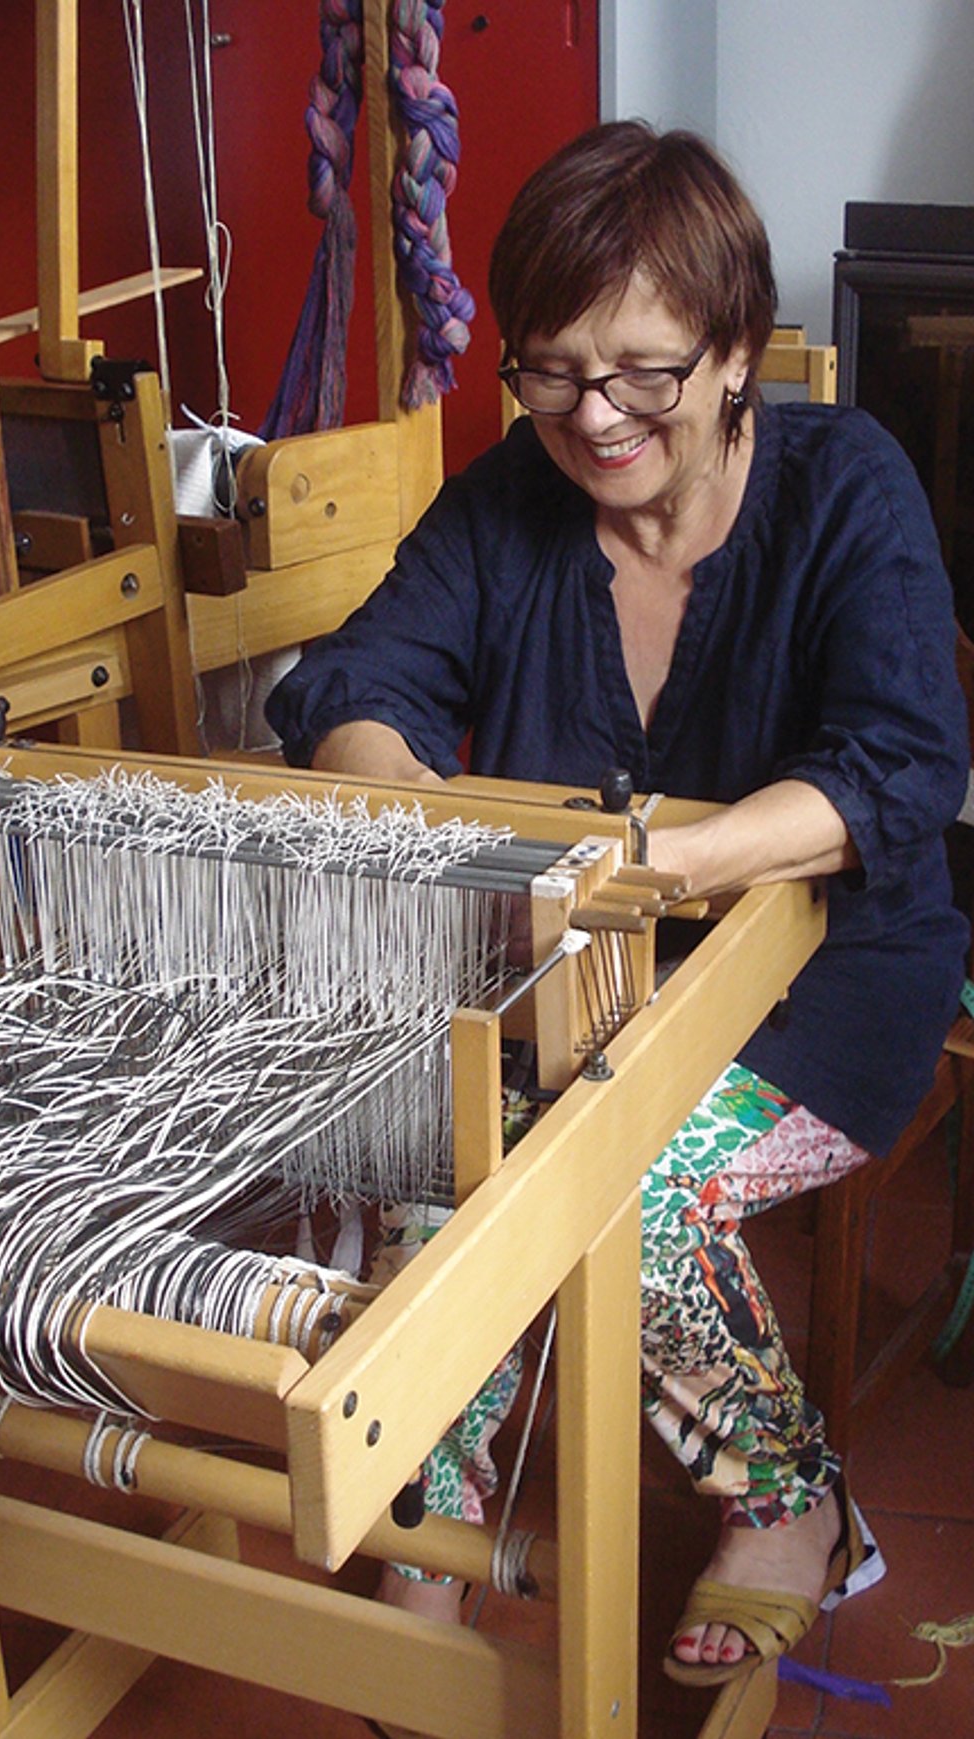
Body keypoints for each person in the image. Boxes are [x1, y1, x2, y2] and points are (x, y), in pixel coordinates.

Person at [266, 121, 969, 1686]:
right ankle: (438, 1551)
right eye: (552, 370)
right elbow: (354, 680)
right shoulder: (511, 499)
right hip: (578, 984)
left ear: (733, 352)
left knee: (616, 1200)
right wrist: (419, 802)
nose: (595, 416)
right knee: (433, 1176)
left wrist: (661, 860)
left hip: (831, 985)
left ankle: (800, 1509)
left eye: (645, 371)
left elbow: (905, 767)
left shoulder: (846, 485)